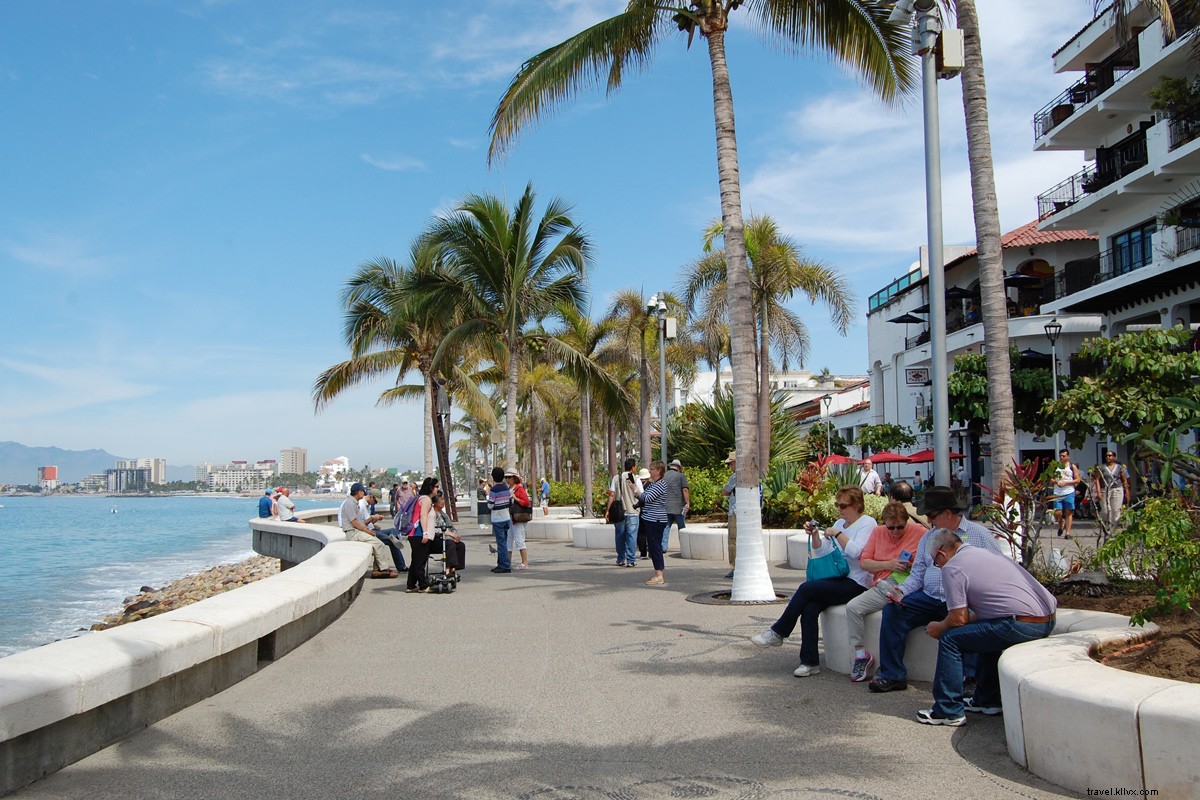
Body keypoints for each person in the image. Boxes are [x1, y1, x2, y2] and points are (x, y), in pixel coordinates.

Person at [868, 486, 1005, 694]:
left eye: (931, 515)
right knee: (893, 611)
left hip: (965, 599)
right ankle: (892, 674)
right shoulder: (928, 537)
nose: (929, 520)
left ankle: (971, 678)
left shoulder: (979, 534)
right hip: (931, 597)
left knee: (969, 619)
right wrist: (900, 592)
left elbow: (998, 568)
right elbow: (917, 575)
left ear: (947, 513)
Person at [916, 530, 1057, 726]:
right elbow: (980, 614)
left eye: (936, 563)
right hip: (1045, 620)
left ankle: (948, 710)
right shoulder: (984, 554)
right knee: (984, 632)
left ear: (941, 553)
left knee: (950, 640)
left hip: (1020, 624)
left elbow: (957, 619)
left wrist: (939, 627)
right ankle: (988, 700)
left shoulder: (953, 567)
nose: (939, 567)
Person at [750, 486, 878, 677]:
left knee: (806, 589)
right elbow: (822, 551)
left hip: (857, 582)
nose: (840, 509)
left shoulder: (867, 523)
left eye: (843, 505)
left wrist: (837, 534)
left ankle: (779, 632)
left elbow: (856, 552)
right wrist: (816, 535)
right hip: (838, 578)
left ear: (857, 505)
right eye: (837, 505)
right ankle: (809, 662)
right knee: (809, 608)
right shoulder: (840, 523)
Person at [843, 501, 926, 682]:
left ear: (907, 521)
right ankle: (861, 655)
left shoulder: (920, 532)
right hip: (884, 584)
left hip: (911, 584)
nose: (895, 531)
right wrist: (889, 564)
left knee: (896, 613)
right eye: (891, 528)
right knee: (854, 607)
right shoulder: (878, 532)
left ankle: (891, 670)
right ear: (884, 524)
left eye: (900, 527)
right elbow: (865, 563)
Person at [338, 482, 399, 579]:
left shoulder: (354, 503)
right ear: (358, 492)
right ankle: (383, 569)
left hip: (356, 531)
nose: (364, 493)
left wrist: (369, 529)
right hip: (353, 533)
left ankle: (378, 569)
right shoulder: (350, 503)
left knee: (378, 543)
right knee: (379, 544)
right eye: (363, 491)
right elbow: (354, 523)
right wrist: (368, 531)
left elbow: (360, 522)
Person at [635, 461, 672, 586]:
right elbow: (643, 496)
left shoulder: (660, 484)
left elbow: (646, 498)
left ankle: (659, 575)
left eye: (652, 469)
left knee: (655, 547)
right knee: (653, 546)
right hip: (651, 518)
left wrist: (636, 489)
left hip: (656, 519)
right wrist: (637, 492)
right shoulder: (654, 484)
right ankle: (658, 573)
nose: (650, 472)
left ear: (658, 471)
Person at [606, 457, 642, 567]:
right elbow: (642, 495)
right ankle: (631, 560)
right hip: (633, 511)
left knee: (619, 536)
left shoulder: (616, 478)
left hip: (619, 512)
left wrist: (608, 510)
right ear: (633, 467)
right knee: (631, 536)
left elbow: (612, 495)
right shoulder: (636, 479)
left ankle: (621, 558)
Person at [405, 477, 439, 593]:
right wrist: (425, 533)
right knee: (420, 561)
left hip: (415, 534)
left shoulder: (422, 498)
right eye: (436, 487)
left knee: (416, 560)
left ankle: (411, 585)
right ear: (431, 487)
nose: (437, 489)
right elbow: (423, 516)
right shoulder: (426, 500)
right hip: (419, 534)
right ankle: (423, 585)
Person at [1093, 450, 1131, 533]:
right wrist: (1098, 492)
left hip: (1117, 489)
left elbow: (1124, 480)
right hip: (1105, 490)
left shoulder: (1119, 467)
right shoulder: (1102, 468)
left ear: (1114, 457)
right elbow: (1097, 480)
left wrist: (1127, 491)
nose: (1108, 457)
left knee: (1116, 511)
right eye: (1106, 456)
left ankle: (1113, 530)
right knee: (1105, 511)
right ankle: (1106, 524)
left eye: (1110, 455)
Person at [431, 492, 466, 576]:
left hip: (447, 539)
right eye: (441, 500)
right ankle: (447, 570)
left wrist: (455, 536)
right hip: (436, 540)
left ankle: (453, 568)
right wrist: (449, 534)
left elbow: (451, 527)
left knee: (460, 545)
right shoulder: (432, 514)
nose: (443, 501)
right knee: (450, 544)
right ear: (435, 502)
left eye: (443, 499)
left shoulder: (444, 515)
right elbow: (434, 530)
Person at [661, 459, 691, 554]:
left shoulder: (664, 476)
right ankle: (684, 547)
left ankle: (663, 547)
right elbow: (685, 490)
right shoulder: (681, 476)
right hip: (678, 507)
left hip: (665, 507)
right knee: (681, 528)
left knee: (666, 527)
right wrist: (687, 503)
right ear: (678, 468)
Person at [487, 467, 513, 573]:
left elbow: (490, 505)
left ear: (493, 477)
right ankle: (500, 563)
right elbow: (510, 502)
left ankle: (505, 565)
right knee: (503, 542)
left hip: (498, 519)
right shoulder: (506, 488)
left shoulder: (493, 490)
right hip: (506, 518)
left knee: (501, 543)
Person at [1051, 448, 1082, 538]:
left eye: (1063, 456)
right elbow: (1050, 479)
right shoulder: (1055, 466)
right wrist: (1057, 482)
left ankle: (1067, 533)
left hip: (1069, 492)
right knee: (1057, 513)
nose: (1061, 457)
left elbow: (1077, 480)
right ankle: (1061, 524)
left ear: (1068, 456)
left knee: (1069, 512)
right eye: (1060, 456)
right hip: (1057, 492)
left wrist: (1067, 482)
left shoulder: (1072, 466)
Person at [506, 470, 531, 570]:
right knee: (508, 540)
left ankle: (525, 562)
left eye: (509, 477)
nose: (507, 479)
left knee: (519, 539)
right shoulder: (509, 489)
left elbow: (526, 502)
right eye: (506, 477)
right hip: (510, 518)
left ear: (514, 478)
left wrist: (515, 498)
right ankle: (507, 562)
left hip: (518, 518)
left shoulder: (519, 488)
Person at [722, 451, 738, 579]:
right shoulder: (753, 474)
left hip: (735, 511)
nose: (730, 466)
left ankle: (734, 567)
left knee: (733, 541)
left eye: (731, 463)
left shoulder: (735, 476)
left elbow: (725, 491)